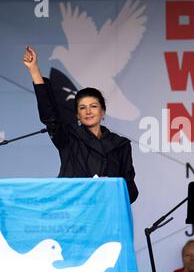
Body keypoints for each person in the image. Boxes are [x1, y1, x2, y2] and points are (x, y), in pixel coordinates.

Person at [23, 46, 138, 203]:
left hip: (106, 213)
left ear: (103, 111)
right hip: (73, 211)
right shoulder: (69, 137)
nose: (88, 111)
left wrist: (111, 189)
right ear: (77, 114)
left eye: (94, 106)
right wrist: (34, 71)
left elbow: (131, 190)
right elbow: (50, 116)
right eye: (82, 108)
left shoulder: (120, 145)